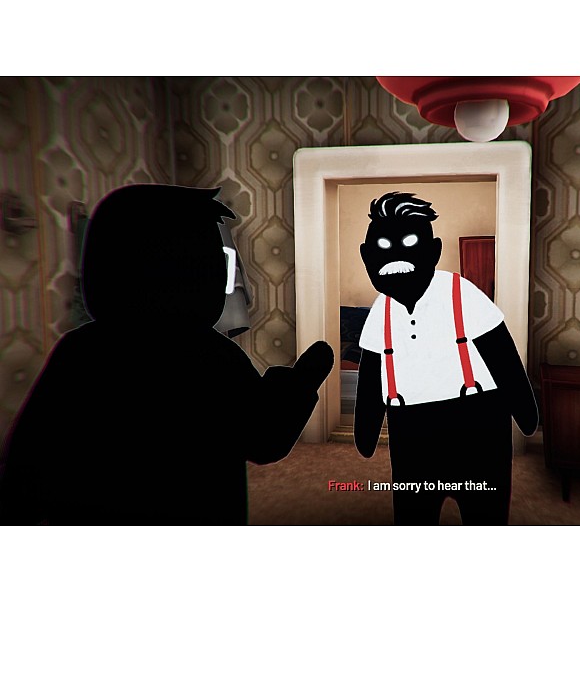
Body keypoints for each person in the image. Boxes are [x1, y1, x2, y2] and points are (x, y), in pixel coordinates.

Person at [0, 183, 333, 524]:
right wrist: (299, 384)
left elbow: (27, 460)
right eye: (209, 262)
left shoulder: (80, 352)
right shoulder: (212, 357)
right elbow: (264, 439)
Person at [354, 191, 538, 524]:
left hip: (477, 425)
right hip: (411, 432)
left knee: (485, 516)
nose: (395, 256)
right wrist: (366, 432)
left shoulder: (462, 294)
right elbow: (371, 375)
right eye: (382, 248)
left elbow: (502, 356)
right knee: (414, 517)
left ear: (434, 251)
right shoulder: (381, 310)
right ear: (367, 256)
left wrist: (526, 414)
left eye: (410, 243)